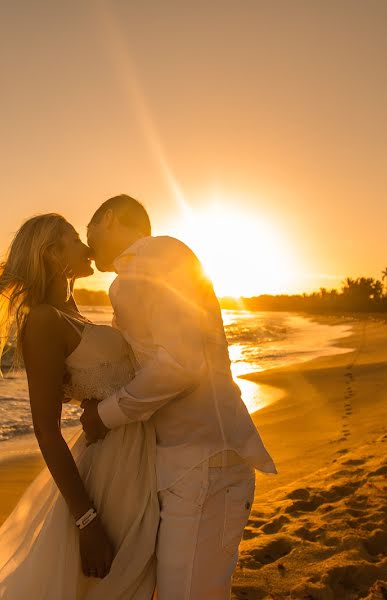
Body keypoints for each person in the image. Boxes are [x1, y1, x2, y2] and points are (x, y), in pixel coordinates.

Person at [0, 213, 158, 599]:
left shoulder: (72, 314)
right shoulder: (43, 321)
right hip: (108, 478)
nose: (86, 247)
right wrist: (87, 521)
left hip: (134, 464)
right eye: (74, 239)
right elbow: (46, 429)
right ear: (53, 254)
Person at [81, 194, 277, 599]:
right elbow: (149, 360)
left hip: (205, 466)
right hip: (182, 464)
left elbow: (182, 364)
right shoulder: (134, 275)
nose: (87, 242)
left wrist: (106, 414)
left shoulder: (161, 255)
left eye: (90, 229)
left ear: (111, 218)